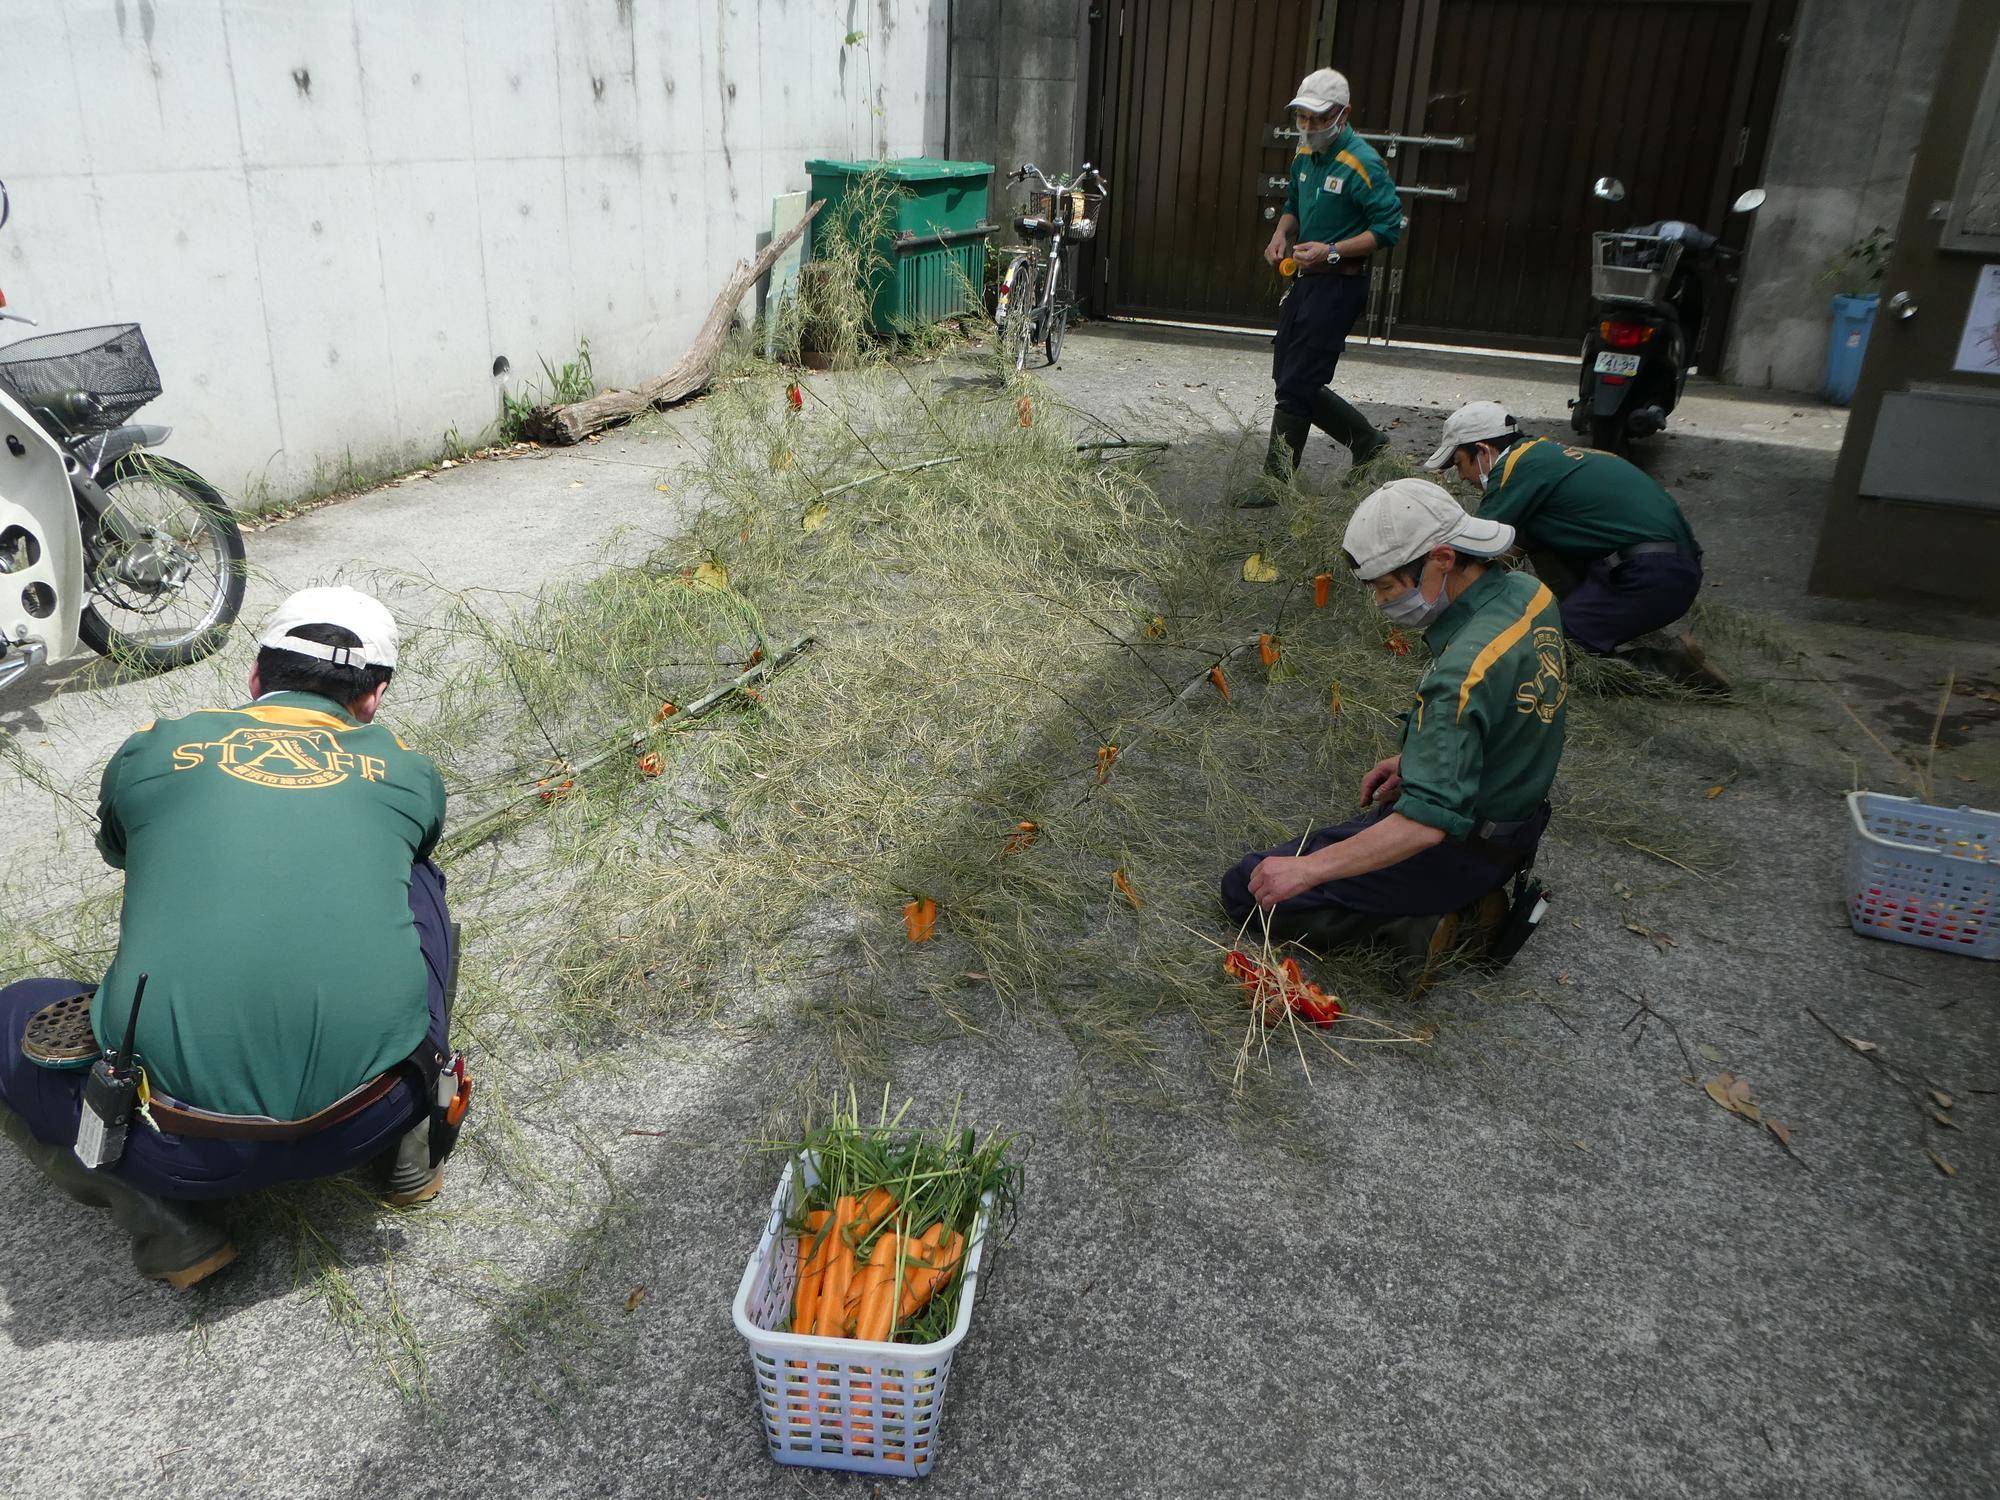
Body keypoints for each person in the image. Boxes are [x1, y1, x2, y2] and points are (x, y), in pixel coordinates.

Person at [0, 587, 462, 1289]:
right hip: (370, 1115)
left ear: (254, 676)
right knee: (419, 878)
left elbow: (123, 851)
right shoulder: (408, 769)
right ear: (375, 697)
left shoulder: (153, 747)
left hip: (176, 1149)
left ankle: (168, 1225)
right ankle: (415, 1140)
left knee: (13, 1013)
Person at [1220, 480, 1567, 970]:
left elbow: (1425, 826)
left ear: (1442, 559)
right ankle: (1458, 895)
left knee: (1249, 886)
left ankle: (1418, 925)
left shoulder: (1459, 677)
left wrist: (1308, 871)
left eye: (1387, 587)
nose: (1383, 603)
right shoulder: (1531, 594)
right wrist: (1420, 760)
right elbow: (1512, 713)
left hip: (1464, 846)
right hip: (1514, 827)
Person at [1424, 401, 1727, 689]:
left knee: (1543, 654)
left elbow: (1473, 554)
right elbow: (1513, 546)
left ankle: (1673, 667)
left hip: (1650, 574)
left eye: (1459, 464)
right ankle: (1581, 617)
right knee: (1533, 536)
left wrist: (1438, 615)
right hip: (1670, 565)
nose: (1461, 477)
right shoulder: (1546, 456)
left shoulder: (1515, 469)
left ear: (1482, 450)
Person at [1243, 67, 1404, 507]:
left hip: (1339, 284)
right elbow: (1294, 204)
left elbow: (1388, 229)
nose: (1309, 126)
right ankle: (1368, 442)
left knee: (1297, 382)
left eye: (1319, 118)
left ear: (1343, 114)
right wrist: (1281, 233)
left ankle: (1275, 483)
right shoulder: (1305, 153)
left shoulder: (1363, 163)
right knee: (1289, 377)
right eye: (1303, 117)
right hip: (1305, 280)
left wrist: (1332, 251)